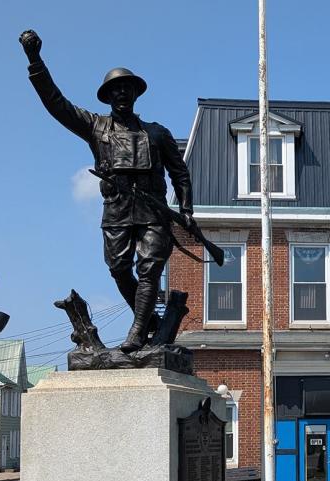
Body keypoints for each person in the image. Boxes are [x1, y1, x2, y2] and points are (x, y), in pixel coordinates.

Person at [19, 29, 193, 353]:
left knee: (150, 267)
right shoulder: (95, 126)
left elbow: (180, 173)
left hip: (153, 210)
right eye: (116, 90)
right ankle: (149, 321)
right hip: (116, 209)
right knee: (118, 268)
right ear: (108, 96)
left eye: (127, 88)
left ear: (136, 93)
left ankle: (139, 329)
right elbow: (57, 104)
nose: (122, 94)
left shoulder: (158, 133)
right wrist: (35, 61)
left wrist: (186, 210)